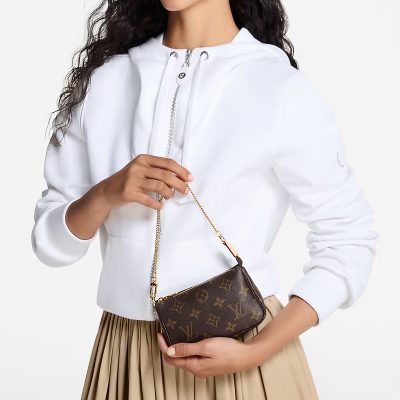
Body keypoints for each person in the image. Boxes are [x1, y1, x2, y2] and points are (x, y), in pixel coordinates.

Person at [31, 0, 379, 399]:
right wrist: (106, 193)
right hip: (126, 357)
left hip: (247, 356)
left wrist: (256, 351)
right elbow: (50, 245)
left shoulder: (276, 86)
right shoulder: (105, 83)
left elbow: (349, 239)